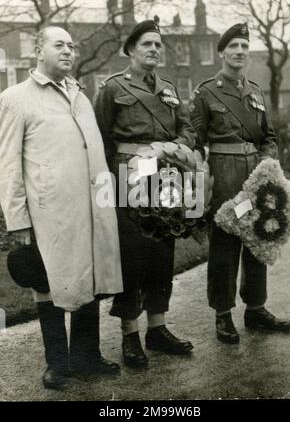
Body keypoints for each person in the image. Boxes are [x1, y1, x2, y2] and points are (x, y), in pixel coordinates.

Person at [0, 26, 123, 389]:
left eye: (72, 46)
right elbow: (7, 165)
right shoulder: (16, 98)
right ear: (38, 51)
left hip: (89, 211)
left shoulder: (80, 95)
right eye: (59, 44)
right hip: (47, 214)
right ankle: (57, 364)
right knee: (48, 285)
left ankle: (86, 357)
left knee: (89, 279)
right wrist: (18, 220)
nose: (68, 51)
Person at [94, 20, 195, 368]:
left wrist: (175, 148)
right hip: (128, 175)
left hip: (166, 174)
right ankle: (130, 335)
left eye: (158, 44)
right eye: (147, 44)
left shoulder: (169, 88)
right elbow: (101, 139)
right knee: (132, 254)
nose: (154, 49)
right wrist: (114, 181)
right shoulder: (112, 88)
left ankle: (158, 328)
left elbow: (187, 128)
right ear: (131, 50)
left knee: (162, 249)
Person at [189, 23, 290, 344]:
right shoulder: (206, 92)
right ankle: (222, 314)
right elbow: (195, 139)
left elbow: (269, 137)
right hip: (225, 174)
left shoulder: (256, 92)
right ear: (222, 52)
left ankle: (256, 308)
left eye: (245, 47)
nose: (240, 52)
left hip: (256, 174)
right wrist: (202, 183)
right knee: (225, 245)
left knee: (258, 241)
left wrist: (268, 164)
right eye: (233, 46)